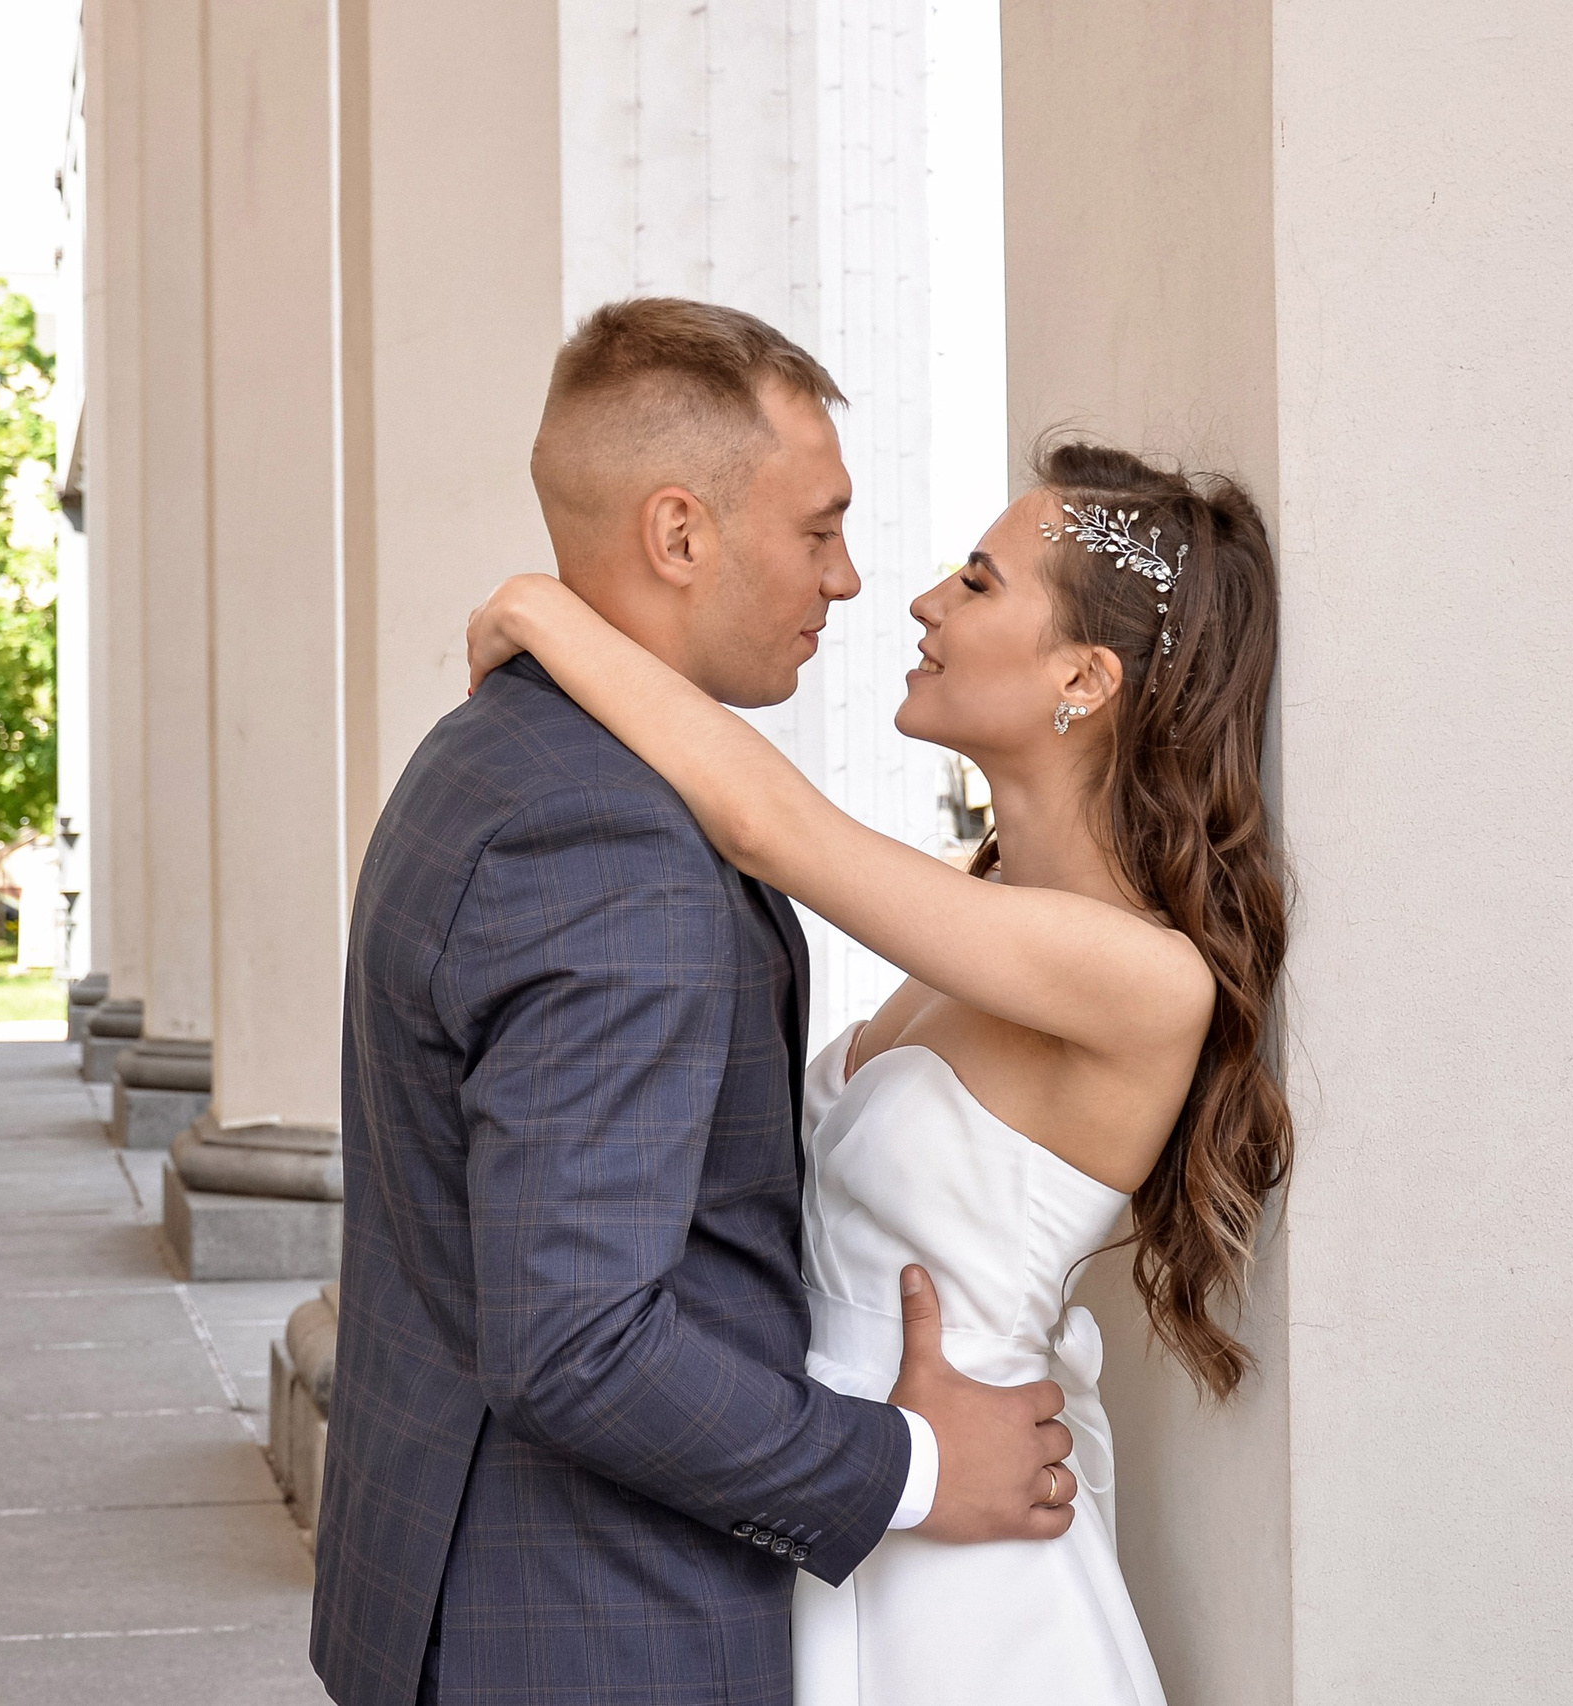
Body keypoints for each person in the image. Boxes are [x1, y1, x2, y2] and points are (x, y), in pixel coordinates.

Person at [312, 298, 1082, 1706]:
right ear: (678, 535)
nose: (850, 579)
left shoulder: (495, 752)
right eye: (818, 527)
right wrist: (910, 1464)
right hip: (593, 1625)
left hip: (471, 1582)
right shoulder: (613, 848)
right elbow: (581, 1340)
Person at [464, 415, 1294, 1703]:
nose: (920, 599)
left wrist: (547, 612)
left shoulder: (1139, 975)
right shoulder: (977, 912)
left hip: (965, 1579)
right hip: (846, 1494)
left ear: (1084, 676)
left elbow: (766, 825)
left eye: (976, 581)